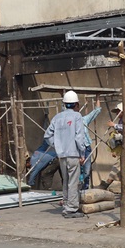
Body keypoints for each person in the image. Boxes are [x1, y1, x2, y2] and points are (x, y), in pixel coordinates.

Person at [44, 90, 86, 219]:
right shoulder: (77, 116)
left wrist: (57, 145)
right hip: (73, 153)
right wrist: (82, 153)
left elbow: (47, 135)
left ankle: (67, 204)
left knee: (66, 181)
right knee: (73, 181)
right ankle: (71, 209)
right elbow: (79, 137)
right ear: (76, 104)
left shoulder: (57, 117)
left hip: (62, 154)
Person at [80, 94, 102, 190]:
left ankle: (85, 189)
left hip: (86, 147)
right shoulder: (69, 121)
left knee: (86, 171)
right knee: (76, 172)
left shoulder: (83, 120)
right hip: (76, 149)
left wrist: (97, 97)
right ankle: (76, 191)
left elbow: (96, 111)